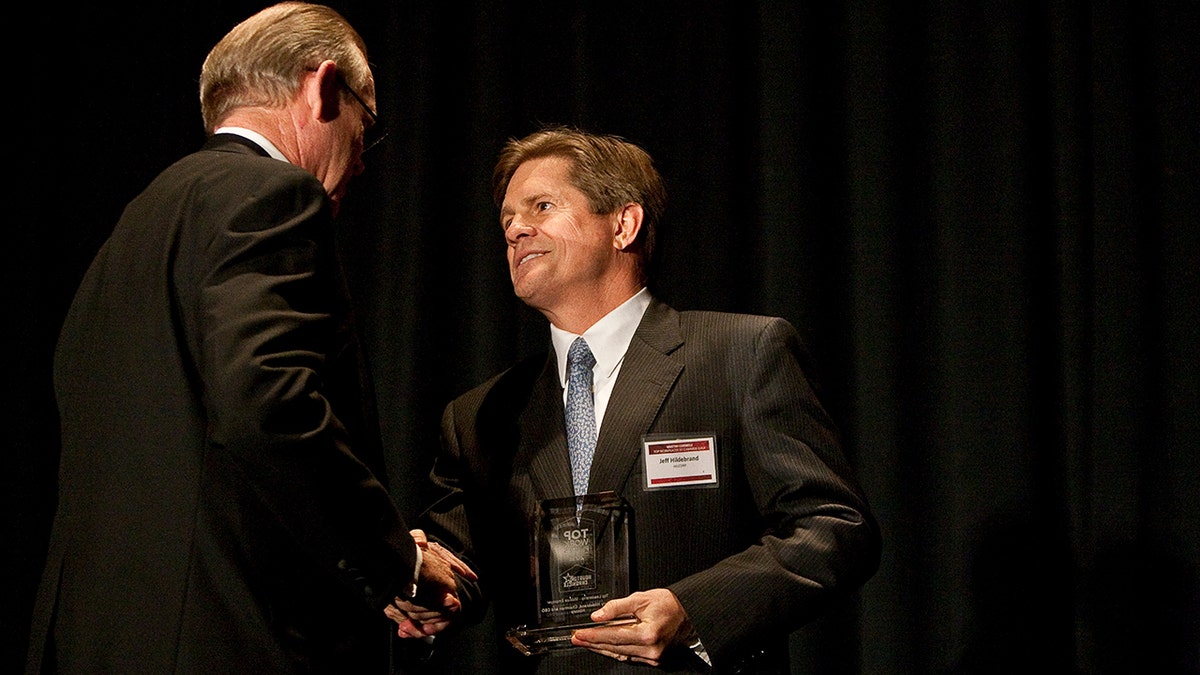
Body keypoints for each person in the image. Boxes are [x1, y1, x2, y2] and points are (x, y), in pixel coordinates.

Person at [25, 3, 472, 673]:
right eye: (365, 126)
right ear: (321, 87)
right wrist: (397, 557)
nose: (361, 162)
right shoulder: (272, 194)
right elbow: (267, 406)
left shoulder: (134, 224)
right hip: (224, 643)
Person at [389, 126, 882, 673]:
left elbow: (833, 528)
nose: (515, 230)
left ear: (623, 224)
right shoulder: (480, 414)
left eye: (542, 206)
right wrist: (419, 581)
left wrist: (693, 610)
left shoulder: (741, 354)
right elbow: (457, 569)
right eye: (507, 218)